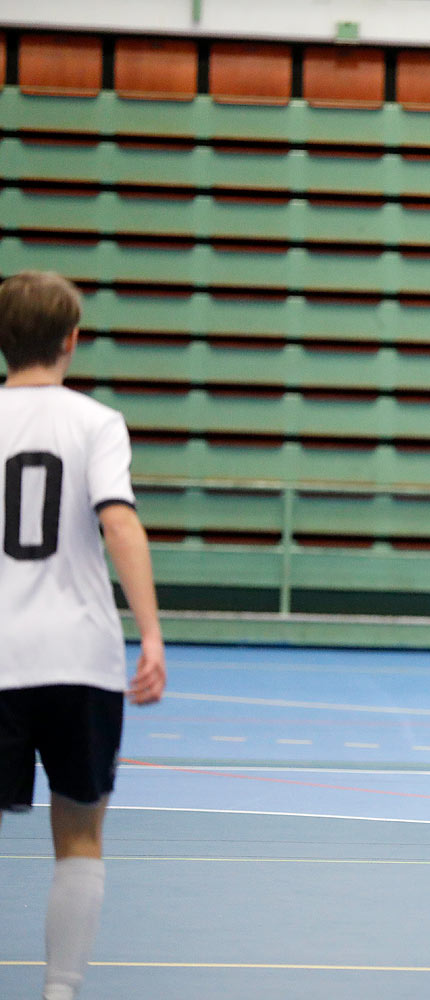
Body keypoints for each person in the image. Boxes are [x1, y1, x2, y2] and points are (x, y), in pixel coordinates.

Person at [0, 270, 167, 1000]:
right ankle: (60, 992)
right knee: (79, 839)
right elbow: (119, 520)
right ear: (72, 341)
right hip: (80, 661)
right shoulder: (96, 422)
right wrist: (152, 633)